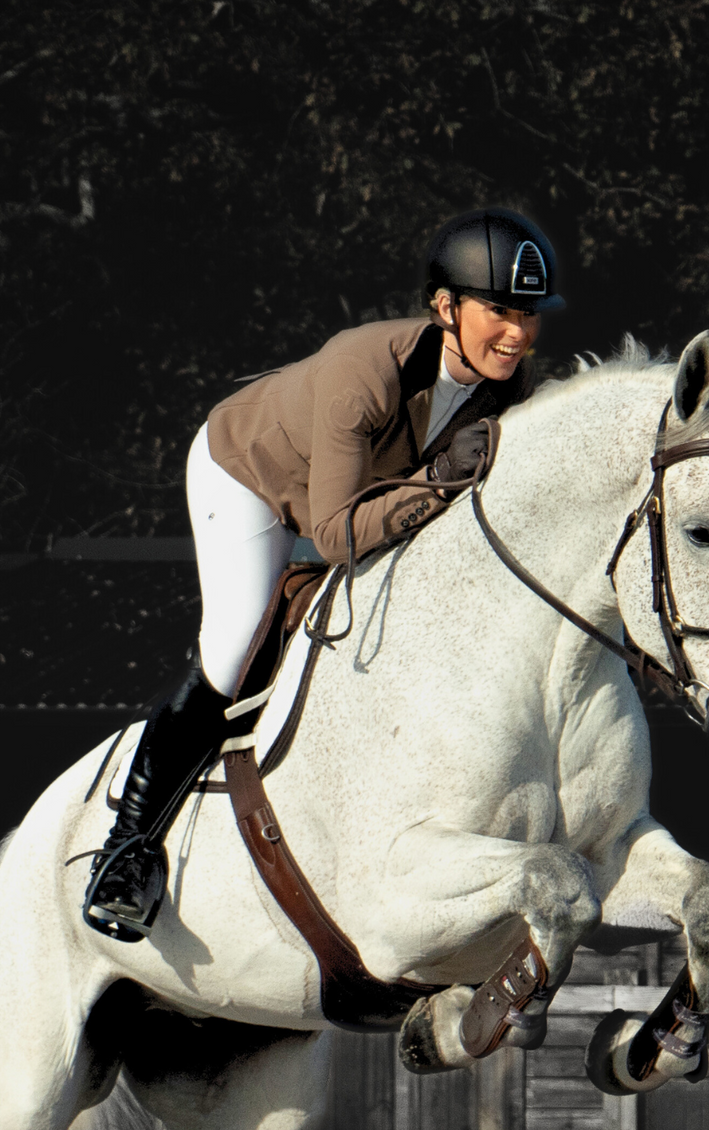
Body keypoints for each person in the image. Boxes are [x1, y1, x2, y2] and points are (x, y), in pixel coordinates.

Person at [83, 206, 564, 941]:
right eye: (499, 310)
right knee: (237, 641)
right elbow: (337, 537)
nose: (518, 334)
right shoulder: (362, 372)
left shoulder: (513, 389)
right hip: (248, 479)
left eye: (529, 315)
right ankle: (126, 851)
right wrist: (438, 482)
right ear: (445, 307)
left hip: (359, 498)